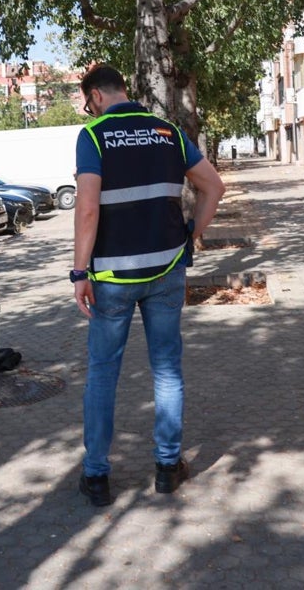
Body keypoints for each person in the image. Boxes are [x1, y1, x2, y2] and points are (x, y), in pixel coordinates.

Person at [71, 65, 225, 506]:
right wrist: (191, 233)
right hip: (166, 268)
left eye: (87, 103)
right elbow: (214, 187)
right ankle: (166, 467)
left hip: (113, 278)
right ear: (124, 89)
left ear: (96, 96)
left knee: (102, 374)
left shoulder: (95, 136)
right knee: (167, 368)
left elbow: (86, 209)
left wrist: (80, 272)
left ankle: (97, 476)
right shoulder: (168, 132)